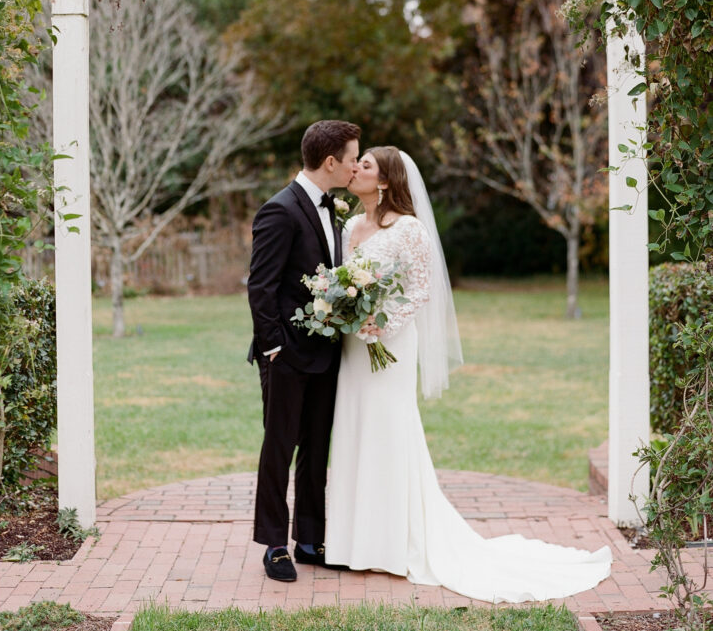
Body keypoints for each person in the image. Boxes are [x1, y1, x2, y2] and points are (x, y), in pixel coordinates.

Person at [324, 146, 612, 603]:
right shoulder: (348, 226)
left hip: (390, 344)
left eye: (365, 165)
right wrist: (344, 315)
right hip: (354, 347)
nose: (355, 169)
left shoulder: (409, 229)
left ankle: (395, 542)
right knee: (356, 429)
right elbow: (342, 284)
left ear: (383, 181)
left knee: (389, 431)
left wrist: (385, 324)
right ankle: (354, 542)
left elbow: (423, 289)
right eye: (356, 164)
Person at [247, 119, 360, 582]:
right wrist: (274, 347)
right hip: (287, 356)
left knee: (316, 448)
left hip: (326, 353)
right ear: (331, 161)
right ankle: (275, 544)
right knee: (280, 447)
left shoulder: (331, 209)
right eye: (353, 158)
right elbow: (261, 286)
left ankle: (310, 538)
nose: (356, 166)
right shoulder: (280, 210)